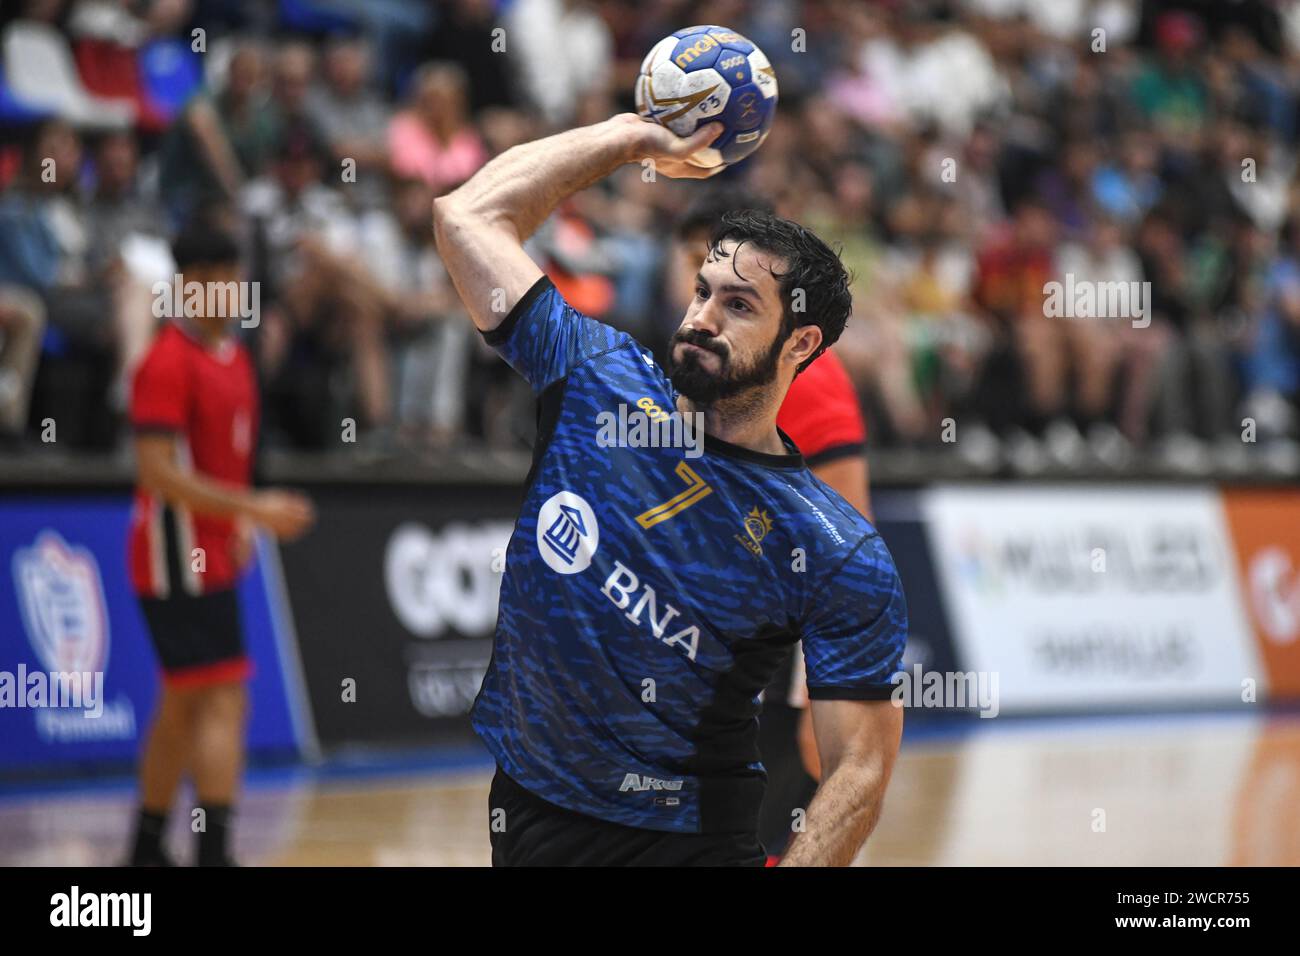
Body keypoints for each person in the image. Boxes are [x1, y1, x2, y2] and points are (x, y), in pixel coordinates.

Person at [434, 113, 907, 866]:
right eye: (703, 290)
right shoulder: (594, 379)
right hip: (527, 816)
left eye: (740, 305)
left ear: (802, 343)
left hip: (684, 840)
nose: (702, 318)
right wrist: (626, 139)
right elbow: (466, 215)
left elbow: (860, 767)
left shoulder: (832, 549)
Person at [126, 226, 315, 866]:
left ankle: (148, 846)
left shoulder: (235, 359)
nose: (234, 293)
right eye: (222, 280)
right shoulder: (165, 362)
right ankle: (214, 851)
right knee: (223, 698)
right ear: (191, 284)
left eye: (238, 279)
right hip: (174, 555)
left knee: (183, 702)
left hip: (210, 550)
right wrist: (253, 511)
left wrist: (236, 523)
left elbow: (225, 459)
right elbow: (157, 473)